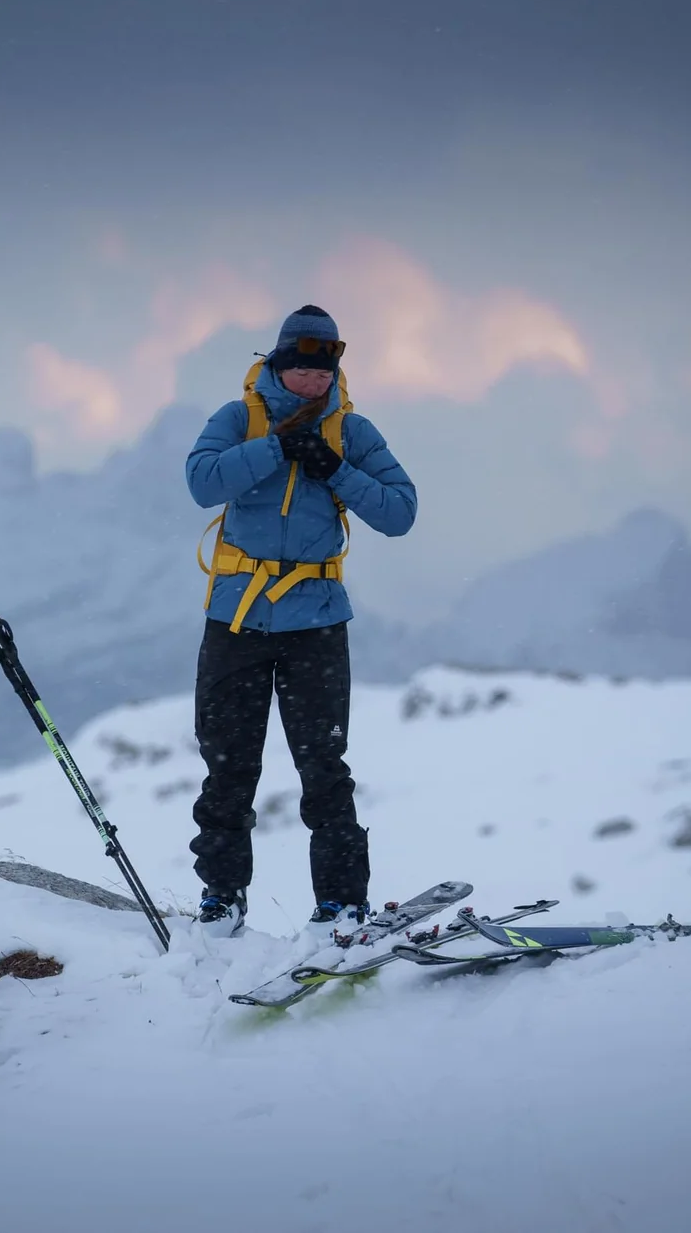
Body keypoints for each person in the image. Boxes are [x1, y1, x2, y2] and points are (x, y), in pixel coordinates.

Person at [183, 305, 417, 937]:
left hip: (315, 624)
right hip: (235, 623)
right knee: (229, 768)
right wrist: (275, 447)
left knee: (324, 769)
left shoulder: (351, 430)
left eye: (325, 371)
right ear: (280, 365)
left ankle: (341, 904)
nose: (315, 381)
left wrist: (333, 467)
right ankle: (222, 899)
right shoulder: (239, 418)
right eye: (304, 370)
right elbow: (200, 481)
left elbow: (400, 512)